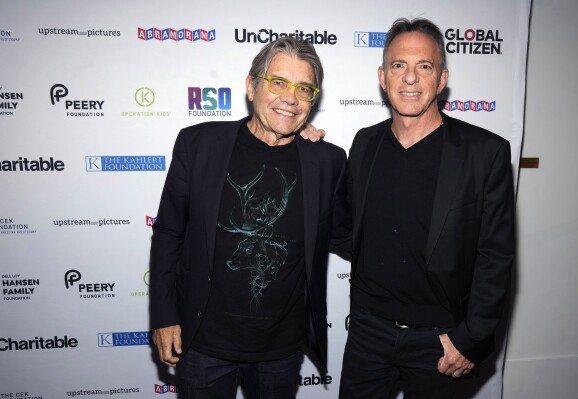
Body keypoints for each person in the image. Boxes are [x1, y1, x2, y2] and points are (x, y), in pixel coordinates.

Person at [149, 36, 350, 399]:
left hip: (281, 349)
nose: (291, 98)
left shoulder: (327, 161)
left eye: (304, 89)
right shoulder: (199, 144)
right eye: (278, 83)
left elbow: (350, 236)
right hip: (202, 342)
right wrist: (164, 315)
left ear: (313, 100)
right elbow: (168, 232)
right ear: (251, 86)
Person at [338, 18, 515, 398]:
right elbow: (344, 225)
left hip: (441, 343)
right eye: (399, 66)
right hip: (368, 335)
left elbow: (496, 257)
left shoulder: (485, 153)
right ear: (383, 77)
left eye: (425, 66)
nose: (411, 78)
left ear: (442, 78)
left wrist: (471, 339)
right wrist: (304, 148)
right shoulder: (365, 143)